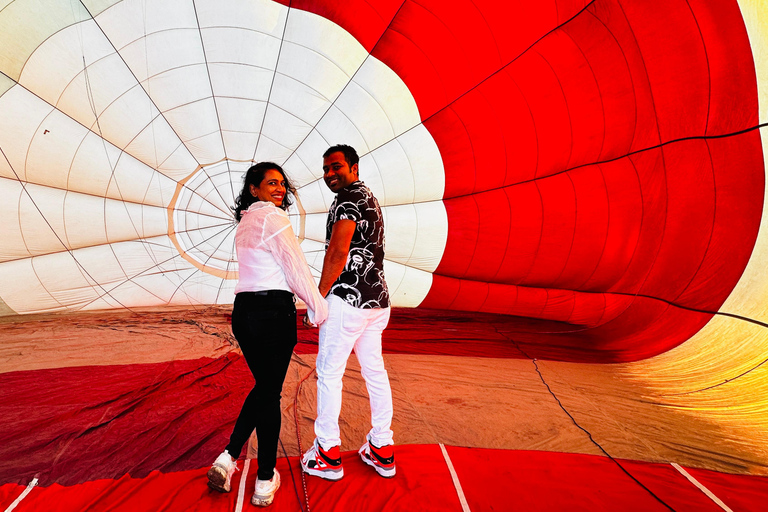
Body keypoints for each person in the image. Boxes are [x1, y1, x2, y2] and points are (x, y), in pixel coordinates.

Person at [207, 162, 328, 507]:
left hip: (244, 315)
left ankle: (228, 457)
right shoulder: (274, 219)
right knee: (270, 394)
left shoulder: (244, 223)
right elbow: (295, 268)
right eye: (271, 183)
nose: (279, 189)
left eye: (282, 184)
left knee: (264, 389)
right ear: (254, 189)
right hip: (274, 314)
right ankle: (264, 479)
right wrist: (318, 309)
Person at [300, 144, 396, 481]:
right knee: (375, 372)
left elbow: (339, 252)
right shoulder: (366, 195)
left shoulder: (347, 200)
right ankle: (382, 448)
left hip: (347, 302)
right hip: (377, 301)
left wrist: (317, 299)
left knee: (329, 374)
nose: (329, 174)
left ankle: (327, 453)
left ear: (354, 167)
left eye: (336, 167)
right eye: (325, 169)